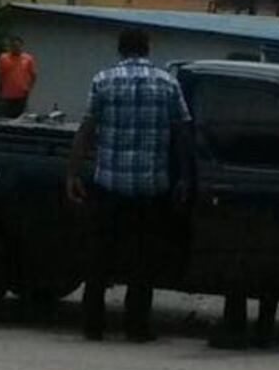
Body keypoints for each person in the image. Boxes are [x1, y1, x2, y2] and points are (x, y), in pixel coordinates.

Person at [66, 28, 193, 342]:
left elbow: (86, 129)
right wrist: (186, 178)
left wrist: (72, 173)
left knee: (99, 258)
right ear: (148, 48)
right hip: (151, 189)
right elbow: (182, 134)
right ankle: (136, 327)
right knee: (144, 261)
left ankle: (93, 325)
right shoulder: (168, 83)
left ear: (120, 49)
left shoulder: (103, 80)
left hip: (109, 185)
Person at [0, 36, 36, 118]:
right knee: (5, 118)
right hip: (6, 96)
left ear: (21, 46)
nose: (16, 48)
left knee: (20, 118)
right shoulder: (3, 58)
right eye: (14, 46)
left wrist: (29, 88)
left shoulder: (28, 59)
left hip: (21, 95)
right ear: (10, 47)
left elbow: (33, 75)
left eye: (18, 46)